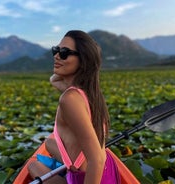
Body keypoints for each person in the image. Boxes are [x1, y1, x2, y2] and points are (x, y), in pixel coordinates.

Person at [28, 30, 120, 184]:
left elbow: (96, 160)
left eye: (64, 52)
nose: (56, 56)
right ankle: (70, 165)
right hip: (108, 168)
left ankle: (69, 171)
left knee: (33, 166)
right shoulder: (89, 92)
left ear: (83, 60)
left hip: (88, 177)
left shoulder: (70, 99)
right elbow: (54, 79)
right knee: (49, 142)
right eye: (56, 50)